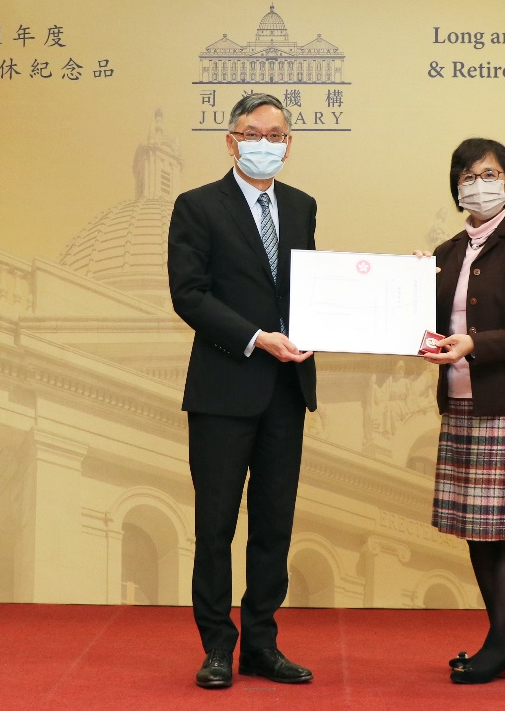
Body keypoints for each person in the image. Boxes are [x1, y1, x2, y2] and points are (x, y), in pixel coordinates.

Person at [167, 94, 317, 689]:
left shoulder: (303, 206)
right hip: (224, 389)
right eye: (253, 132)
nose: (265, 141)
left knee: (274, 525)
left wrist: (394, 291)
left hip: (286, 391)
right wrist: (257, 337)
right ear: (232, 141)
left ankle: (260, 643)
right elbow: (190, 295)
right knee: (216, 526)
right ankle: (215, 647)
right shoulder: (197, 206)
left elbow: (313, 289)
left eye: (276, 133)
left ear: (288, 142)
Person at [417, 137, 505, 684]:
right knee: (477, 527)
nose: (479, 183)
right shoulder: (446, 253)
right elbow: (427, 326)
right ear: (456, 185)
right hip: (461, 406)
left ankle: (500, 644)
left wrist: (474, 343)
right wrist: (406, 286)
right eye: (469, 174)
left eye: (491, 173)